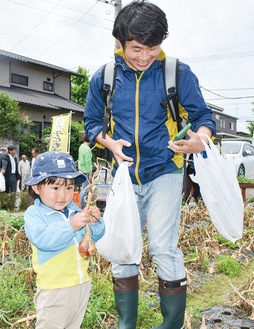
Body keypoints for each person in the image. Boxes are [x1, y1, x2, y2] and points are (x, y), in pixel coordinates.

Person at [84, 1, 216, 328]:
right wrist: (108, 141)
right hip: (124, 175)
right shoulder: (105, 76)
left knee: (162, 246)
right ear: (121, 43)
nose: (144, 57)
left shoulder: (176, 72)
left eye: (152, 48)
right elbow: (90, 122)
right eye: (136, 48)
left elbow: (203, 118)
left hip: (166, 170)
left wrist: (200, 138)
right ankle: (127, 323)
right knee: (123, 246)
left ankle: (171, 324)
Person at [24, 151, 105, 329]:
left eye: (69, 188)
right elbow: (43, 240)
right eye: (55, 188)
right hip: (54, 290)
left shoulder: (74, 210)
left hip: (81, 286)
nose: (63, 195)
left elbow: (95, 236)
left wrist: (96, 221)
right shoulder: (35, 214)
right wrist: (71, 226)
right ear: (36, 188)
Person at [78, 133, 93, 209]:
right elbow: (88, 163)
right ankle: (83, 206)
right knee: (85, 189)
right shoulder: (87, 149)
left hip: (81, 170)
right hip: (85, 171)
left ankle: (82, 205)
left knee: (83, 189)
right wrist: (90, 174)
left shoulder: (82, 146)